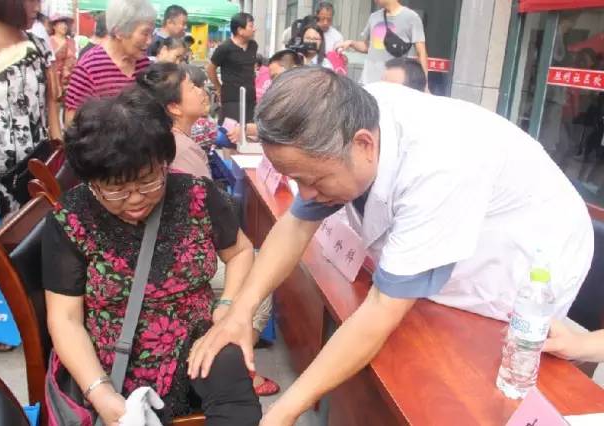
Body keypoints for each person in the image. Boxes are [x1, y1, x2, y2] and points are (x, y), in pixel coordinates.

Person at [187, 67, 594, 425]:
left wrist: (284, 411)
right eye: (297, 180)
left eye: (314, 180)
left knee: (468, 386)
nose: (305, 194)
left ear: (364, 145)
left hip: (512, 264)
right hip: (458, 231)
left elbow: (381, 309)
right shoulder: (343, 119)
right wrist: (240, 312)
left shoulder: (438, 166)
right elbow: (296, 224)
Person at [44, 88, 262, 426]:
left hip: (197, 342)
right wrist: (100, 392)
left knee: (239, 407)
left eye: (148, 181)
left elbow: (241, 251)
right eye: (115, 189)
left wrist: (226, 305)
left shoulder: (197, 195)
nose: (135, 199)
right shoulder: (71, 218)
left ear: (164, 163)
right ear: (91, 181)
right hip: (114, 358)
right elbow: (66, 319)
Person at [0, 0, 61, 352]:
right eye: (31, 0)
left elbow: (51, 100)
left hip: (37, 162)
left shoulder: (34, 42)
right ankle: (2, 323)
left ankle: (36, 315)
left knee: (37, 239)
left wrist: (57, 146)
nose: (38, 6)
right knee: (1, 244)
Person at [65, 0, 155, 126]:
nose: (150, 41)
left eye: (152, 33)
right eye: (145, 33)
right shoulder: (89, 68)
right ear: (119, 32)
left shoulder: (144, 64)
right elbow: (72, 125)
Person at [138, 63, 211, 178]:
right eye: (192, 87)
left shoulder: (170, 140)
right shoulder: (181, 151)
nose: (200, 91)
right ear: (174, 108)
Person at [337, 0, 428, 85]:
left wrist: (425, 84)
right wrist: (351, 43)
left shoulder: (412, 18)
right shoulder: (374, 17)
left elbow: (421, 53)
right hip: (367, 81)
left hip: (392, 83)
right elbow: (367, 46)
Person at [227, 49, 302, 145]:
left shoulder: (307, 97)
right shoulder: (282, 97)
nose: (274, 83)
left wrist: (247, 129)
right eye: (272, 79)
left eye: (276, 76)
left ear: (295, 70)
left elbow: (283, 130)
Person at [207, 13, 258, 125]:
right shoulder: (224, 48)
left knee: (248, 130)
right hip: (232, 98)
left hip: (250, 97)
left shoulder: (253, 45)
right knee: (230, 131)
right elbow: (210, 69)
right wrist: (218, 87)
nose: (254, 29)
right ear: (240, 30)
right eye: (251, 26)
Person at [50, 14, 76, 95]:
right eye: (61, 24)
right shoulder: (49, 41)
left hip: (70, 79)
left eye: (65, 24)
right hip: (54, 79)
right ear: (54, 26)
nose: (64, 26)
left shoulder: (71, 41)